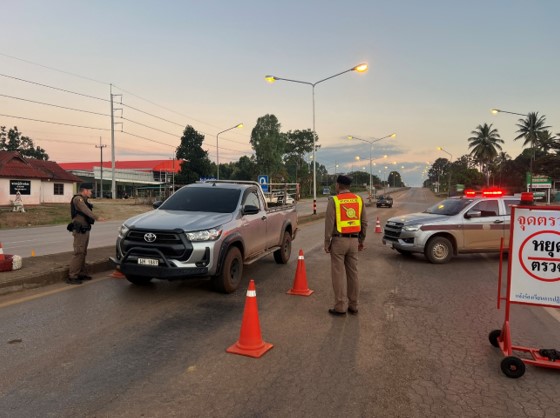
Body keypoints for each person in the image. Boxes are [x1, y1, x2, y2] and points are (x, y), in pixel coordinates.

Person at [324, 175, 368, 316]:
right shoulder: (359, 200)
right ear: (349, 186)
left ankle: (340, 307)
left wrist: (327, 242)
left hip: (339, 241)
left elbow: (329, 223)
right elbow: (364, 222)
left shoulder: (334, 200)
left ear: (338, 185)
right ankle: (354, 305)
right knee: (353, 274)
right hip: (354, 241)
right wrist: (361, 240)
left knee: (338, 275)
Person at [67, 183, 104, 285]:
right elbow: (85, 210)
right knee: (79, 252)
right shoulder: (78, 199)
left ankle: (81, 273)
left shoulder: (83, 199)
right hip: (79, 230)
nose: (91, 192)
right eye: (90, 190)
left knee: (83, 252)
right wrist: (96, 217)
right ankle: (72, 276)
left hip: (84, 229)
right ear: (85, 190)